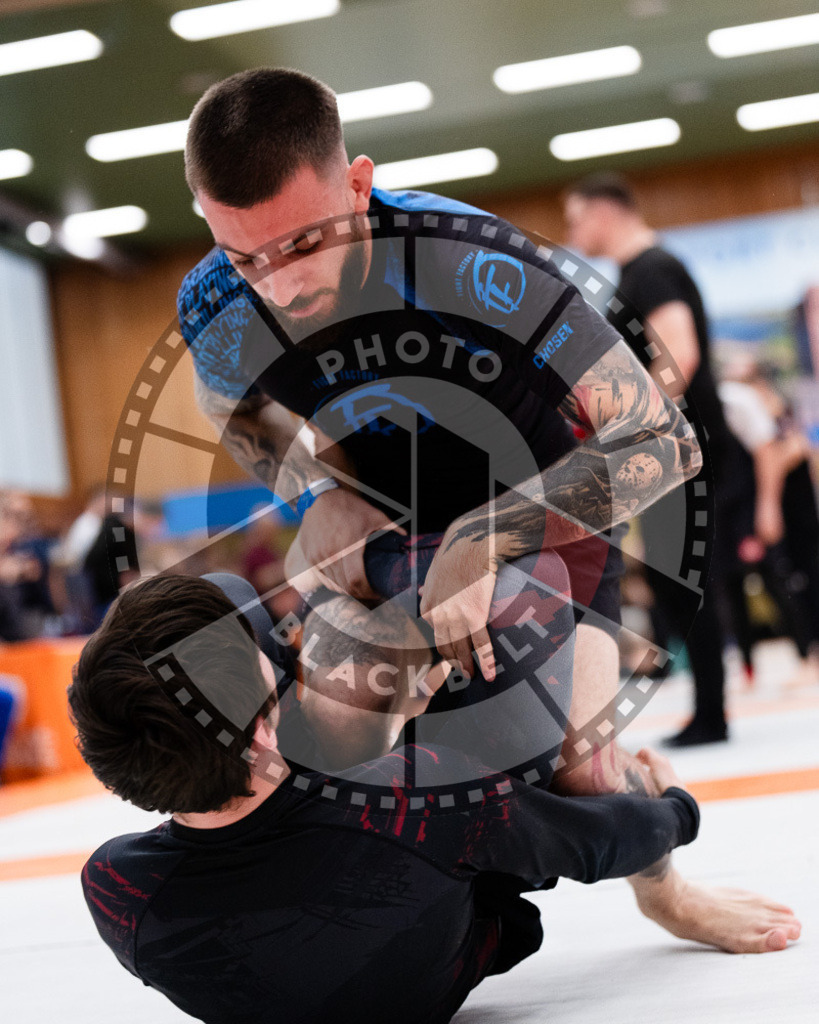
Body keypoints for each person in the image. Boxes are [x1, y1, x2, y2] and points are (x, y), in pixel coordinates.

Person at [176, 68, 794, 952]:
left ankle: (664, 887)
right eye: (245, 256)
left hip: (543, 498)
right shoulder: (215, 303)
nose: (277, 285)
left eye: (303, 243)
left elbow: (664, 439)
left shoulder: (475, 262)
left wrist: (485, 535)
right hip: (392, 515)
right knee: (328, 740)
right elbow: (221, 405)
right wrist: (316, 488)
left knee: (579, 773)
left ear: (358, 183)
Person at [69, 570, 718, 1024]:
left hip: (353, 892)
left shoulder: (116, 891)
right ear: (265, 730)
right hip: (439, 902)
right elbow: (596, 837)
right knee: (529, 596)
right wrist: (675, 807)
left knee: (238, 600)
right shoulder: (422, 793)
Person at [563, 173, 738, 747]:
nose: (572, 231)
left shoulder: (652, 270)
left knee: (684, 580)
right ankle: (708, 707)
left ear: (603, 212)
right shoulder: (640, 273)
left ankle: (711, 712)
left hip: (674, 449)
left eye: (575, 218)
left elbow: (678, 356)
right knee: (675, 580)